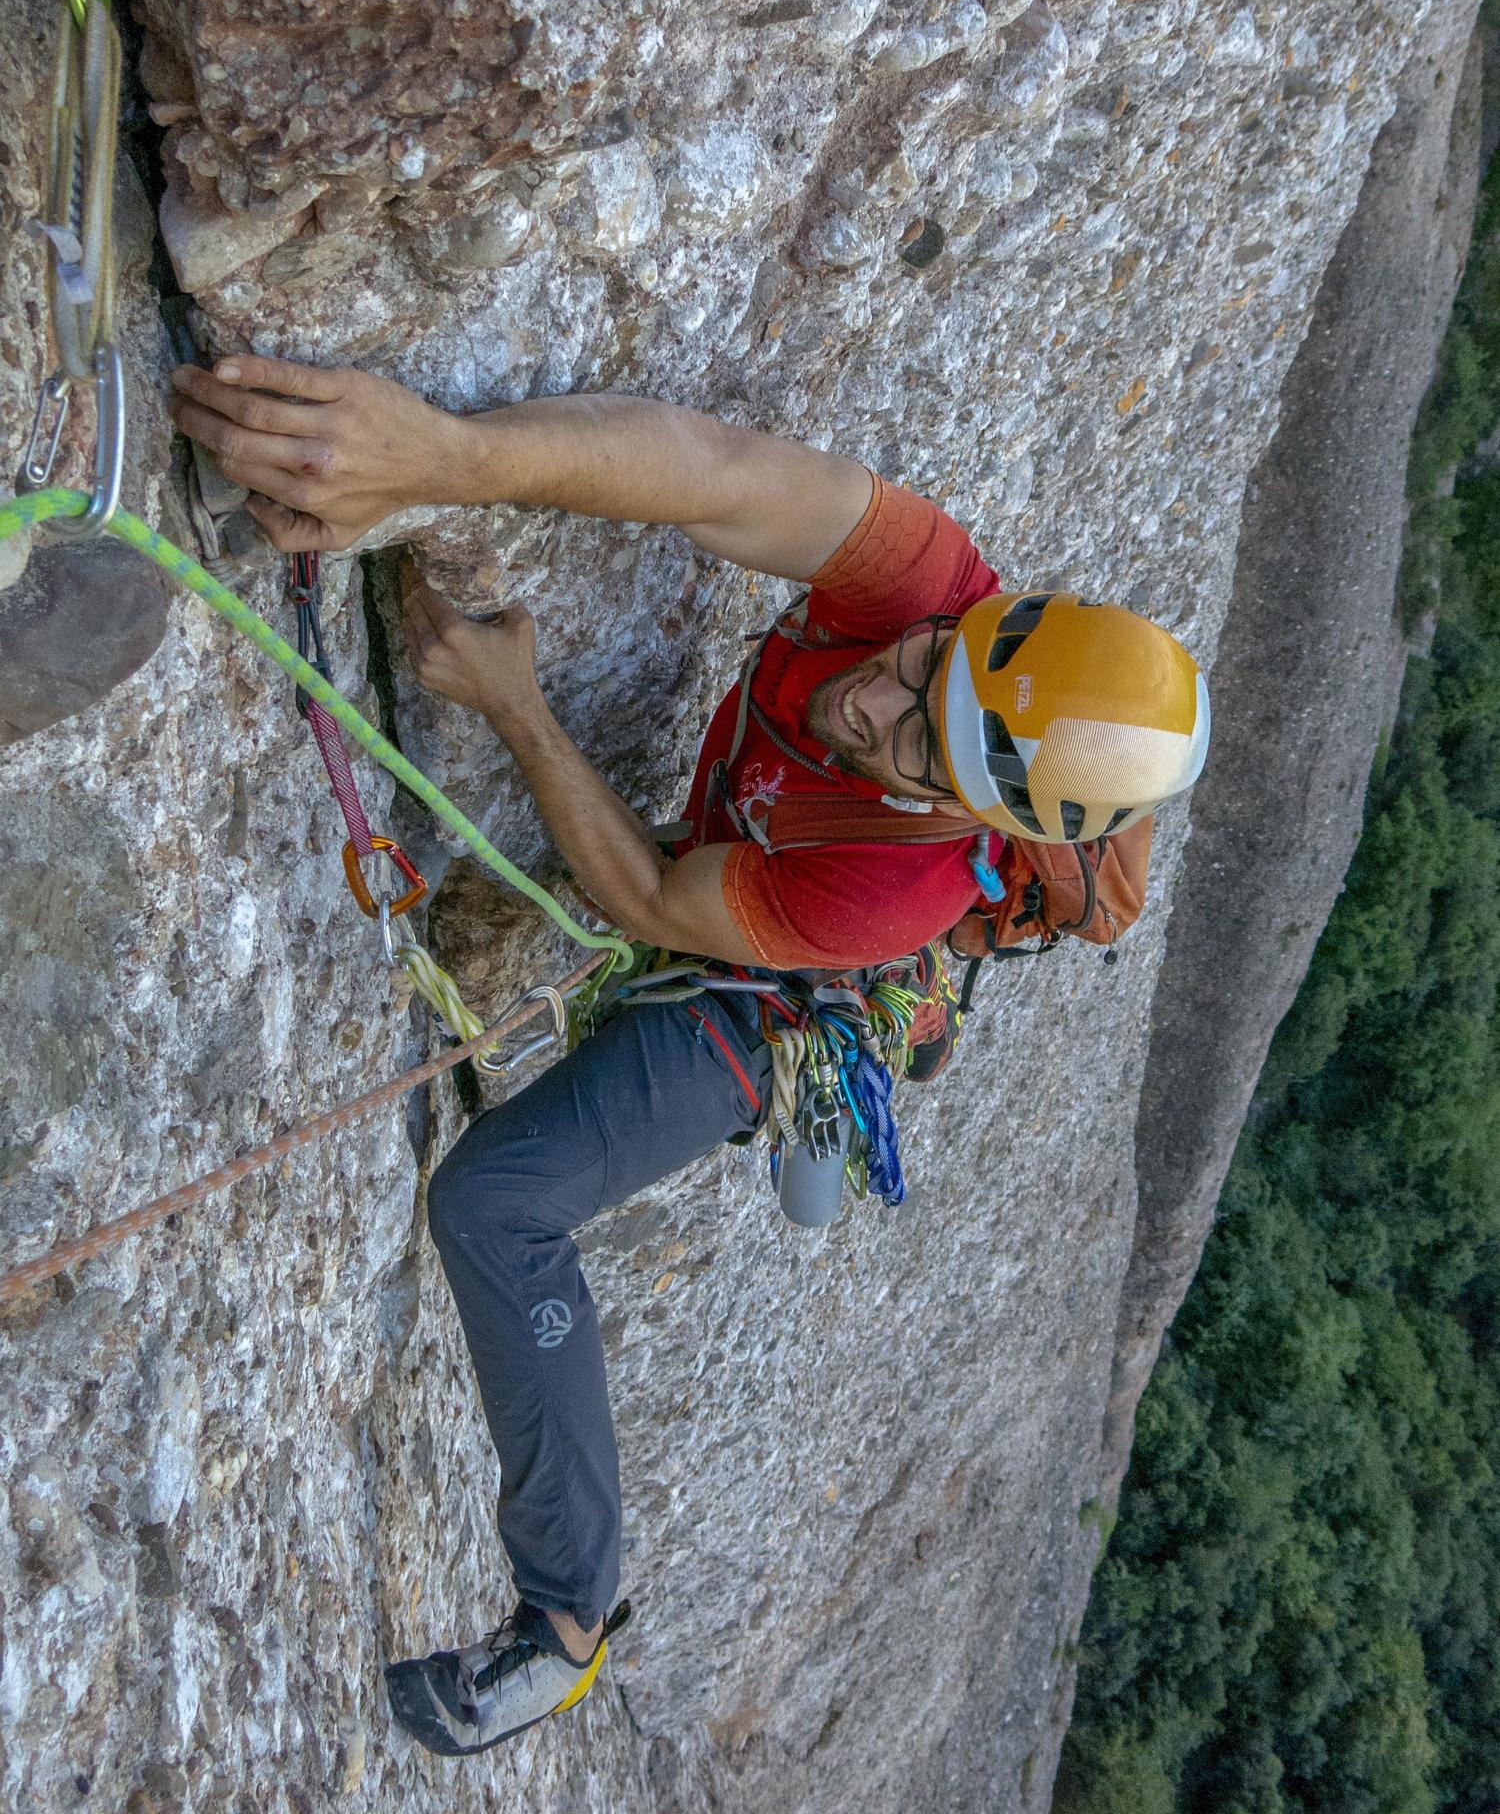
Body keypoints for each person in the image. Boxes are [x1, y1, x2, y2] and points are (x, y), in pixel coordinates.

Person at [168, 357, 1210, 1756]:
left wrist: (518, 708)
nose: (877, 702)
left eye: (917, 744)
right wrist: (440, 456)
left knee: (497, 1202)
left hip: (771, 996)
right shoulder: (928, 587)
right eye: (916, 669)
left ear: (983, 817)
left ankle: (561, 1629)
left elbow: (659, 907)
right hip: (765, 882)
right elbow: (707, 471)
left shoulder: (896, 886)